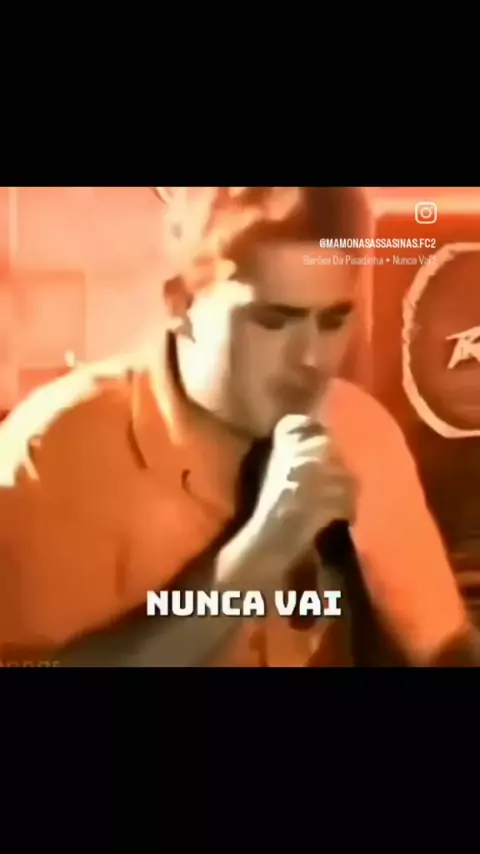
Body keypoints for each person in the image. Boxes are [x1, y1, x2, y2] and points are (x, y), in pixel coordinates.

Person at [0, 186, 477, 667]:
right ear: (181, 305)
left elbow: (444, 647)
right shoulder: (52, 455)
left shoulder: (359, 430)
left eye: (333, 321)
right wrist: (258, 555)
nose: (312, 360)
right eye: (273, 321)